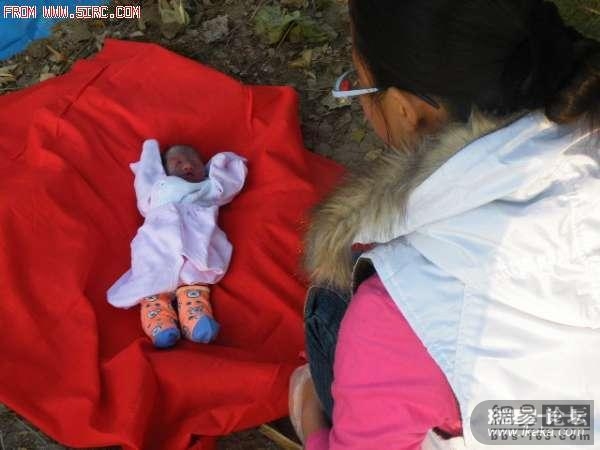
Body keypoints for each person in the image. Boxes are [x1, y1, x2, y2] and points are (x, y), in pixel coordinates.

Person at [290, 0, 600, 448]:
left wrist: (312, 424)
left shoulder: (397, 312)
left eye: (357, 84)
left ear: (408, 111)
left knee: (330, 303)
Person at [107, 139, 247, 348]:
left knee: (195, 276)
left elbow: (231, 181)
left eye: (195, 163)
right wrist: (150, 153)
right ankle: (158, 319)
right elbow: (145, 176)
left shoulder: (208, 187)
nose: (188, 165)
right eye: (178, 162)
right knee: (152, 274)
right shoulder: (157, 188)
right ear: (164, 170)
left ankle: (195, 313)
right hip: (157, 237)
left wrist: (220, 162)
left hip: (196, 236)